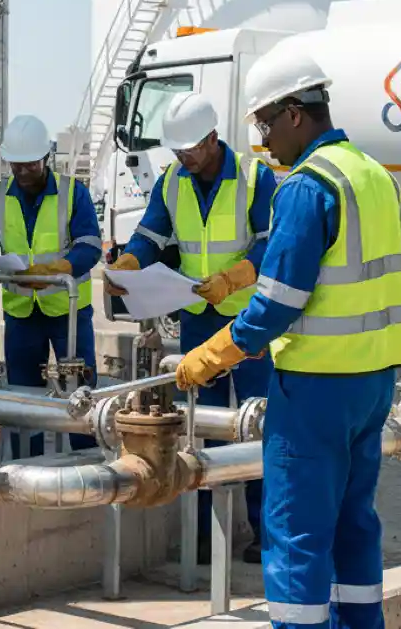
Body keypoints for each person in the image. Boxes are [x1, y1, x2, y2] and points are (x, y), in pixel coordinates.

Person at [173, 47, 401, 628]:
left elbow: (277, 303)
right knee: (355, 523)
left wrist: (213, 354)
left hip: (315, 389)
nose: (262, 141)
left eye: (264, 124)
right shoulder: (373, 175)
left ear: (295, 114)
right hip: (374, 382)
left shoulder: (307, 188)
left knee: (296, 532)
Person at [104, 91, 276, 565]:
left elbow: (272, 245)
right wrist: (130, 264)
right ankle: (206, 532)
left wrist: (233, 277)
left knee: (260, 423)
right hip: (197, 319)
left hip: (249, 319)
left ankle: (266, 533)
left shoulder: (253, 177)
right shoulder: (172, 181)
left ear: (213, 138)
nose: (183, 157)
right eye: (177, 150)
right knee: (201, 427)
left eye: (191, 150)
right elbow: (152, 235)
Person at [0, 114, 102, 456]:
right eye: (17, 166)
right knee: (23, 401)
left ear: (46, 159)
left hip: (68, 311)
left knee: (81, 394)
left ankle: (88, 465)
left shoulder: (74, 193)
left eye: (30, 165)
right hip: (21, 315)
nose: (23, 173)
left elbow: (90, 246)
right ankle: (29, 466)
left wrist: (57, 269)